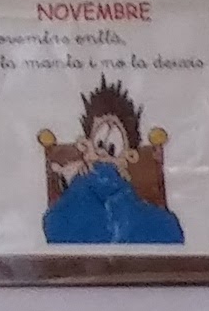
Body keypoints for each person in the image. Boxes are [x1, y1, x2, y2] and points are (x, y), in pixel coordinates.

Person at [40, 81, 185, 245]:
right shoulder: (81, 176)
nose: (102, 154)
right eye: (99, 145)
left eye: (111, 149)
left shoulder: (124, 183)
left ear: (128, 155)